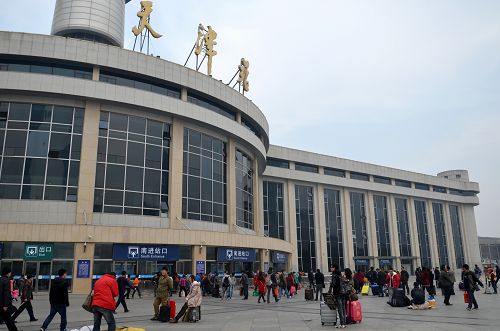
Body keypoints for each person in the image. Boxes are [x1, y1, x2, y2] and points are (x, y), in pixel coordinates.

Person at [0, 267, 18, 331]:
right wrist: (6, 305)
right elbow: (6, 294)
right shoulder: (6, 280)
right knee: (9, 320)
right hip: (3, 304)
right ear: (8, 273)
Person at [329, 264, 346, 329]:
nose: (330, 268)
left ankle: (342, 323)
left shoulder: (334, 275)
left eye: (331, 267)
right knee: (343, 308)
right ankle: (344, 322)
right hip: (343, 292)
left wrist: (331, 283)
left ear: (334, 268)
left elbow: (334, 284)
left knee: (340, 308)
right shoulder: (340, 274)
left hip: (338, 293)